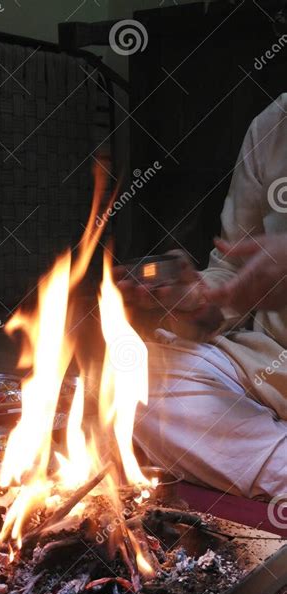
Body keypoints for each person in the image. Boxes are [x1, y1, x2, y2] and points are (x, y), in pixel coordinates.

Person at [115, 95, 287, 499]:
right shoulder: (275, 125)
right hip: (272, 369)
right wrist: (196, 300)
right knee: (141, 376)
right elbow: (233, 268)